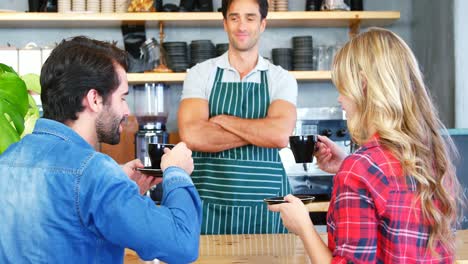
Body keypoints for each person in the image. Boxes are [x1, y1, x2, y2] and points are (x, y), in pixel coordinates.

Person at [0, 36, 202, 263]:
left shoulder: (7, 160)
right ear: (95, 99)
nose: (127, 111)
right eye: (123, 97)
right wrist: (177, 173)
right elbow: (182, 243)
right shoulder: (95, 173)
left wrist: (119, 190)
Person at [268, 27, 462, 263]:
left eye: (343, 88)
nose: (339, 99)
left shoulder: (359, 170)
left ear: (362, 85)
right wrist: (347, 167)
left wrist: (303, 226)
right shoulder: (431, 156)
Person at [178, 0, 297, 234]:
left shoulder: (280, 78)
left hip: (268, 209)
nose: (242, 26)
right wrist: (261, 132)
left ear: (262, 24)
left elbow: (280, 135)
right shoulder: (200, 74)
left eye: (250, 18)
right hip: (209, 206)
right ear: (224, 23)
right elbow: (192, 135)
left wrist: (222, 120)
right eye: (234, 17)